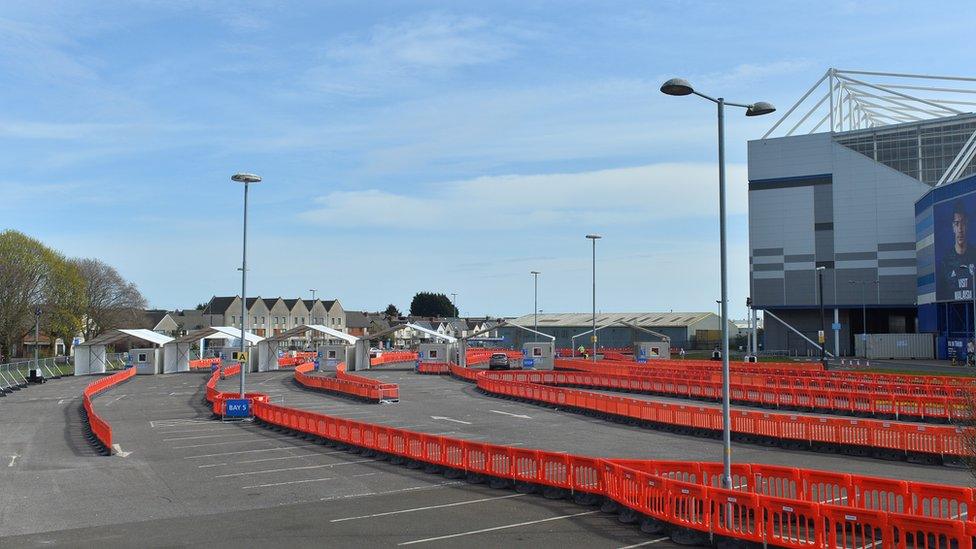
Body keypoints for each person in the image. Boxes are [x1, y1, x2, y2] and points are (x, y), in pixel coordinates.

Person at [941, 200, 976, 301]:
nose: (960, 229)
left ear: (967, 225)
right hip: (953, 310)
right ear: (953, 227)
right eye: (957, 224)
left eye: (963, 223)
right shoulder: (946, 261)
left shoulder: (974, 254)